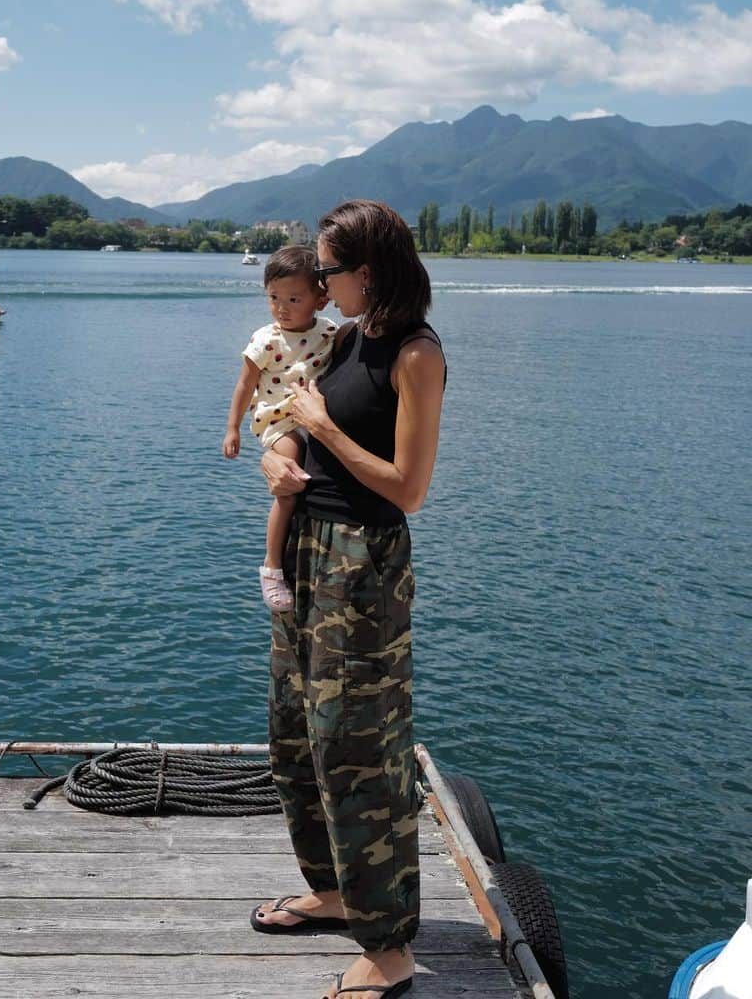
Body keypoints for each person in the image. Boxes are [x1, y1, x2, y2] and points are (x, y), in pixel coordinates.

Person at [250, 200, 446, 999]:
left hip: (362, 566)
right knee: (295, 737)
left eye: (328, 271)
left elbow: (410, 489)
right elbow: (295, 422)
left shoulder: (415, 353)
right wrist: (277, 452)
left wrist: (322, 430)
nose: (319, 285)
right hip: (306, 557)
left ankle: (390, 945)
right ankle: (332, 890)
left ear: (367, 270)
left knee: (358, 753)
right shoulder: (349, 337)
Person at [222, 245, 339, 611]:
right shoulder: (265, 340)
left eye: (292, 298)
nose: (281, 308)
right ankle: (271, 566)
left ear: (321, 300)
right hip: (280, 422)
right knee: (288, 486)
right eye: (273, 297)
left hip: (316, 417)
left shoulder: (331, 332)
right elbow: (244, 385)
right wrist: (233, 429)